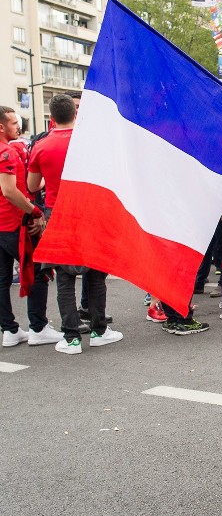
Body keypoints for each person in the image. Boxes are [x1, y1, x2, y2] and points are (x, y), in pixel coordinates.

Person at [27, 95, 124, 354]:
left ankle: (70, 338)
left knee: (64, 279)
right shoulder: (91, 142)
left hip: (58, 213)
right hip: (90, 210)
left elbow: (31, 186)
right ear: (75, 114)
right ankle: (99, 330)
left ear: (51, 118)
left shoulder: (41, 146)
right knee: (95, 274)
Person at [0, 106, 63, 349]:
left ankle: (9, 330)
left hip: (5, 224)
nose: (19, 127)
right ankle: (38, 327)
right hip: (15, 224)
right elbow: (9, 191)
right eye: (14, 123)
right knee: (38, 272)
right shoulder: (6, 153)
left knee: (3, 279)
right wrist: (34, 211)